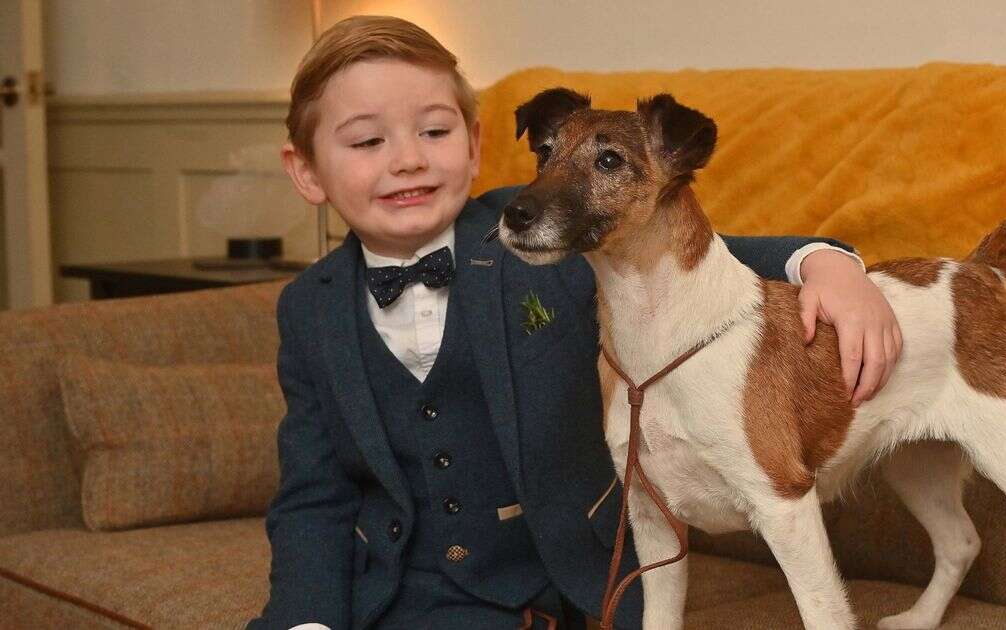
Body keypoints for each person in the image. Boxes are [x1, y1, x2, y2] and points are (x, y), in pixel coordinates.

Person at [249, 14, 902, 630]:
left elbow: (713, 257)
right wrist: (310, 617)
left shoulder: (551, 237)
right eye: (367, 140)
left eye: (435, 132)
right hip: (386, 599)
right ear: (305, 172)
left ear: (476, 148)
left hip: (548, 592)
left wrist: (827, 263)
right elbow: (314, 492)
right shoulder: (307, 308)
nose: (408, 159)